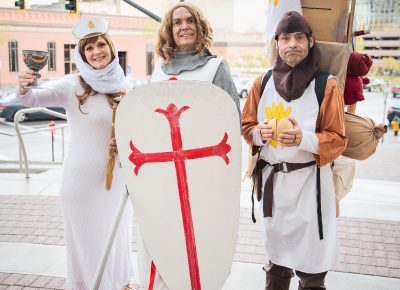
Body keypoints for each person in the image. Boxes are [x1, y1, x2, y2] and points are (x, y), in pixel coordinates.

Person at [17, 17, 134, 290]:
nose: (96, 52)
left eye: (101, 44)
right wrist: (25, 85)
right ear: (82, 56)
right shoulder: (72, 86)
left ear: (111, 47)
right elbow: (33, 99)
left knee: (116, 238)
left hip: (116, 183)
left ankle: (118, 284)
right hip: (80, 184)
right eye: (88, 49)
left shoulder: (125, 87)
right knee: (86, 243)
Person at [242, 12, 347, 290]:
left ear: (310, 42)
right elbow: (246, 127)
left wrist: (304, 138)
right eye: (286, 38)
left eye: (299, 37)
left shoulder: (327, 85)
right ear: (276, 43)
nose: (293, 44)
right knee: (276, 265)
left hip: (310, 188)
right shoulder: (261, 83)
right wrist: (258, 134)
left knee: (312, 271)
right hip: (273, 188)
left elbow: (337, 139)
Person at [139, 2, 240, 289]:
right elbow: (147, 120)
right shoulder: (159, 71)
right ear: (169, 31)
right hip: (163, 177)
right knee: (161, 245)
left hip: (201, 178)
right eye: (177, 22)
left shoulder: (215, 68)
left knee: (197, 250)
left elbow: (231, 119)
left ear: (199, 27)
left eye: (190, 20)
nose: (184, 26)